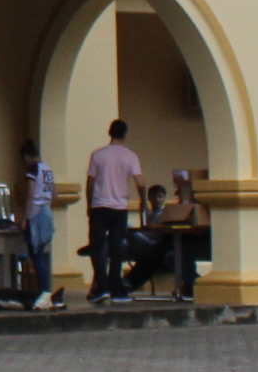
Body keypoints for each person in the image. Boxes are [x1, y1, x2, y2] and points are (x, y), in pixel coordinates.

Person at [83, 118, 145, 303]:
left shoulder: (98, 155)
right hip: (120, 208)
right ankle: (117, 289)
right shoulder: (130, 156)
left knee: (97, 247)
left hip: (99, 206)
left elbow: (90, 183)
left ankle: (101, 287)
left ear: (109, 133)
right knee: (116, 249)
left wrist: (89, 204)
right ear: (125, 134)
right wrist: (143, 201)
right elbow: (141, 182)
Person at [144, 169, 212, 300]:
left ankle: (194, 285)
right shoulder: (182, 209)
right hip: (184, 243)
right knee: (170, 253)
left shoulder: (203, 209)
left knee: (169, 250)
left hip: (204, 243)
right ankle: (193, 285)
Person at [18, 138, 61, 311]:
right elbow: (55, 193)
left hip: (36, 213)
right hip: (47, 212)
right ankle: (46, 290)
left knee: (36, 255)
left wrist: (25, 218)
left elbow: (30, 194)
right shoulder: (47, 169)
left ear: (26, 157)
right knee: (43, 253)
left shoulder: (33, 169)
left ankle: (44, 292)